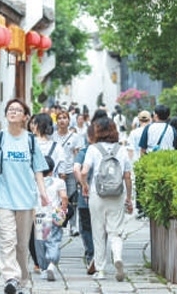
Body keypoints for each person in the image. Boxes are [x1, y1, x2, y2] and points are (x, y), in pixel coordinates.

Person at [0, 98, 49, 294]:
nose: (13, 112)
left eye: (17, 110)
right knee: (7, 240)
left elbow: (38, 170)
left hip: (26, 199)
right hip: (3, 198)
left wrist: (43, 193)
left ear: (25, 117)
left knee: (21, 245)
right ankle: (10, 277)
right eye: (10, 109)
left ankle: (21, 280)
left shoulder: (30, 140)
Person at [80, 117, 133, 282]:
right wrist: (129, 197)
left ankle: (101, 270)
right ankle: (117, 257)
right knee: (115, 231)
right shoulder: (121, 149)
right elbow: (127, 176)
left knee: (98, 232)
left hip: (97, 193)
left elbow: (83, 172)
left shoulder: (93, 149)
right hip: (117, 194)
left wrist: (84, 185)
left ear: (97, 131)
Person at [29, 112, 65, 273]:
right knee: (51, 232)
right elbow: (62, 172)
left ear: (37, 126)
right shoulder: (57, 147)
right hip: (52, 193)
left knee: (34, 231)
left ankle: (39, 263)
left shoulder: (29, 145)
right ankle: (49, 259)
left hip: (31, 190)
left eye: (33, 123)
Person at [34, 156, 68, 282]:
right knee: (54, 241)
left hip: (39, 216)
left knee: (41, 244)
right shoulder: (59, 182)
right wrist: (63, 210)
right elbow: (64, 197)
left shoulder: (34, 182)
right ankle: (52, 264)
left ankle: (44, 269)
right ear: (52, 170)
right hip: (54, 215)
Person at [52, 108, 82, 236]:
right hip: (55, 172)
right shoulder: (52, 136)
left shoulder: (75, 137)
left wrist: (78, 172)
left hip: (70, 172)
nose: (62, 120)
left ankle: (73, 226)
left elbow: (77, 154)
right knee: (57, 199)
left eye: (64, 118)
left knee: (71, 199)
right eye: (59, 118)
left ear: (69, 121)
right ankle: (58, 223)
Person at [73, 124, 95, 274]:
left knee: (86, 227)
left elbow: (76, 169)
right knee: (99, 227)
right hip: (103, 196)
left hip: (85, 197)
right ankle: (98, 255)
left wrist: (83, 185)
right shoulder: (107, 151)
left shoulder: (84, 151)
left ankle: (91, 255)